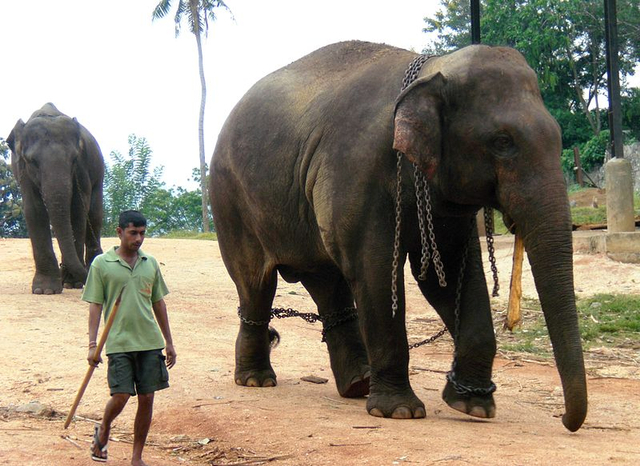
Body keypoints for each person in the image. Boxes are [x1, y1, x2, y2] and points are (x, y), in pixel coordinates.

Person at [83, 210, 176, 465]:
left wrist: (169, 341)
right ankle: (103, 428)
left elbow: (159, 302)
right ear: (120, 232)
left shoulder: (150, 263)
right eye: (133, 233)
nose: (138, 239)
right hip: (118, 342)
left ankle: (137, 457)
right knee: (121, 395)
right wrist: (92, 345)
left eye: (143, 234)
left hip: (149, 342)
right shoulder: (102, 264)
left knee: (147, 398)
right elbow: (95, 305)